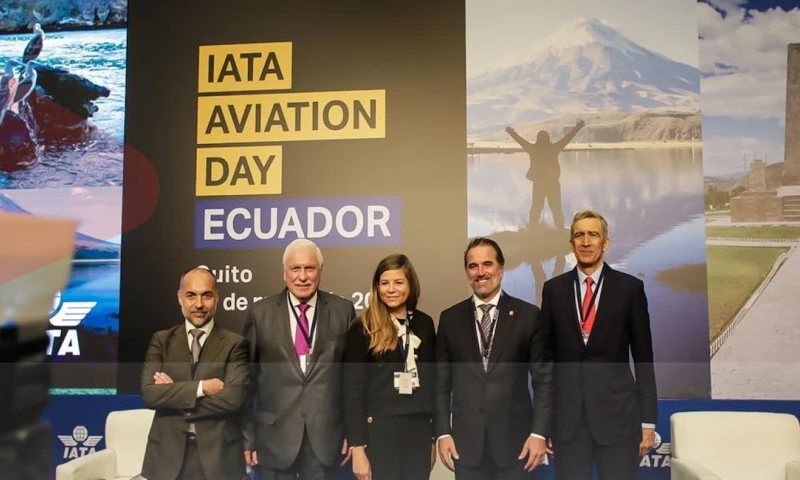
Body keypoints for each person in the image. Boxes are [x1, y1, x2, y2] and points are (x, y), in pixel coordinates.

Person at [540, 210, 657, 480]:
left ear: (605, 243)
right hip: (568, 424)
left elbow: (643, 358)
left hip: (619, 420)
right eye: (579, 235)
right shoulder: (553, 290)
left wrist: (648, 421)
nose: (585, 242)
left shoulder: (630, 289)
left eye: (593, 235)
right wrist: (545, 423)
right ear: (571, 244)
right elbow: (545, 360)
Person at [435, 238, 554, 480]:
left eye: (487, 264)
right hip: (466, 447)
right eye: (473, 266)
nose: (480, 272)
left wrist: (539, 433)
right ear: (467, 272)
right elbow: (440, 384)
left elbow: (544, 381)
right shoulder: (450, 319)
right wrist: (443, 433)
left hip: (517, 445)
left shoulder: (528, 316)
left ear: (501, 269)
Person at [241, 239, 357, 480]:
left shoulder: (343, 311)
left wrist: (352, 433)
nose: (302, 276)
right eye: (295, 269)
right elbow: (246, 382)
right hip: (273, 441)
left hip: (326, 441)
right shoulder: (260, 313)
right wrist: (248, 437)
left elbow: (351, 381)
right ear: (284, 273)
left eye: (309, 268)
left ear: (320, 272)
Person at [140, 267, 249, 480]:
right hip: (166, 456)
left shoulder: (235, 344)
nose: (199, 304)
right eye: (191, 295)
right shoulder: (161, 341)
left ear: (217, 297)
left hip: (218, 457)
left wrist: (172, 393)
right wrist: (202, 388)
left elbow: (232, 400)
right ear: (180, 297)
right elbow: (149, 394)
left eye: (206, 295)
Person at [343, 254, 437, 480]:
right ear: (377, 287)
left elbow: (432, 384)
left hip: (418, 431)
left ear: (410, 284)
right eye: (384, 283)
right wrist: (357, 448)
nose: (391, 289)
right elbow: (352, 390)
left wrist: (432, 439)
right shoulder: (364, 326)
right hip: (378, 433)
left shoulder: (424, 323)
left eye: (398, 282)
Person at [506, 121, 585, 230]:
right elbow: (567, 138)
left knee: (536, 207)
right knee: (556, 208)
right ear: (548, 139)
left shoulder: (533, 149)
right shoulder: (554, 148)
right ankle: (560, 229)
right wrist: (577, 127)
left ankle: (533, 228)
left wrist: (511, 132)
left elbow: (520, 140)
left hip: (539, 183)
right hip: (552, 183)